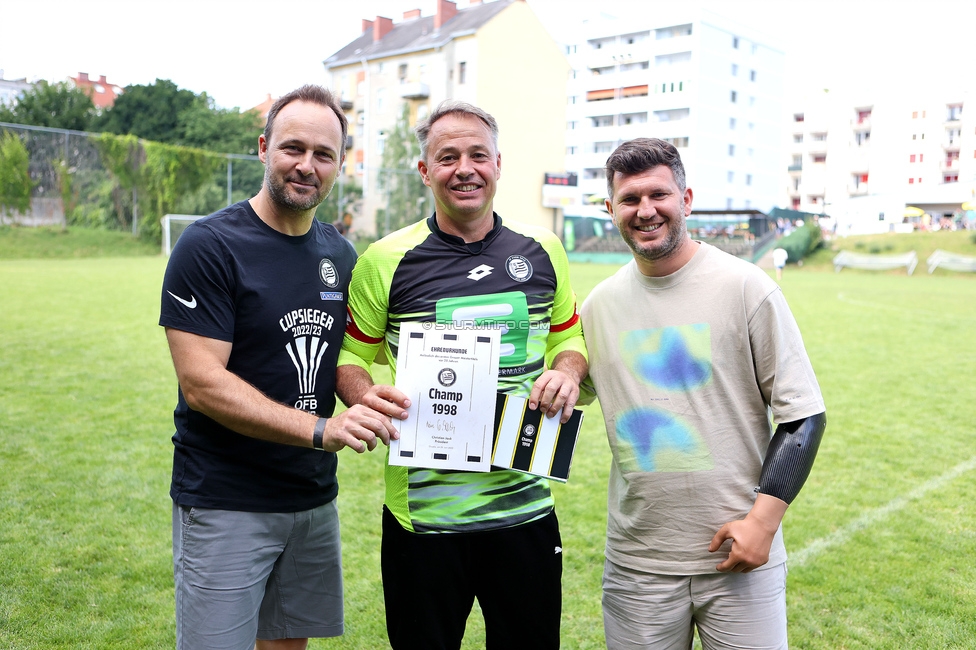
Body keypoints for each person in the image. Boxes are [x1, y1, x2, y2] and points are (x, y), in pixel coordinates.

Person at [335, 100, 588, 650]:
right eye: (447, 157)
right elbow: (351, 358)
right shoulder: (385, 259)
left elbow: (569, 337)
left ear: (499, 164)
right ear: (425, 171)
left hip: (524, 507)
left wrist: (568, 371)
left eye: (478, 155)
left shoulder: (543, 249)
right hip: (423, 519)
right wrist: (365, 395)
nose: (465, 168)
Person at [159, 85, 398, 650]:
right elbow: (203, 384)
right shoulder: (210, 245)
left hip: (312, 499)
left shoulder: (339, 255)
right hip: (227, 498)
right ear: (264, 147)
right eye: (293, 148)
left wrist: (367, 395)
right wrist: (321, 430)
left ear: (340, 164)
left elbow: (345, 357)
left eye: (323, 154)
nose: (306, 165)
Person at [579, 138, 826, 650]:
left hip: (738, 556)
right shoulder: (599, 307)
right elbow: (559, 392)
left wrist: (762, 523)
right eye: (629, 199)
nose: (645, 210)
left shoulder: (746, 286)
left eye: (659, 195)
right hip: (637, 564)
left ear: (686, 200)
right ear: (610, 210)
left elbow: (803, 416)